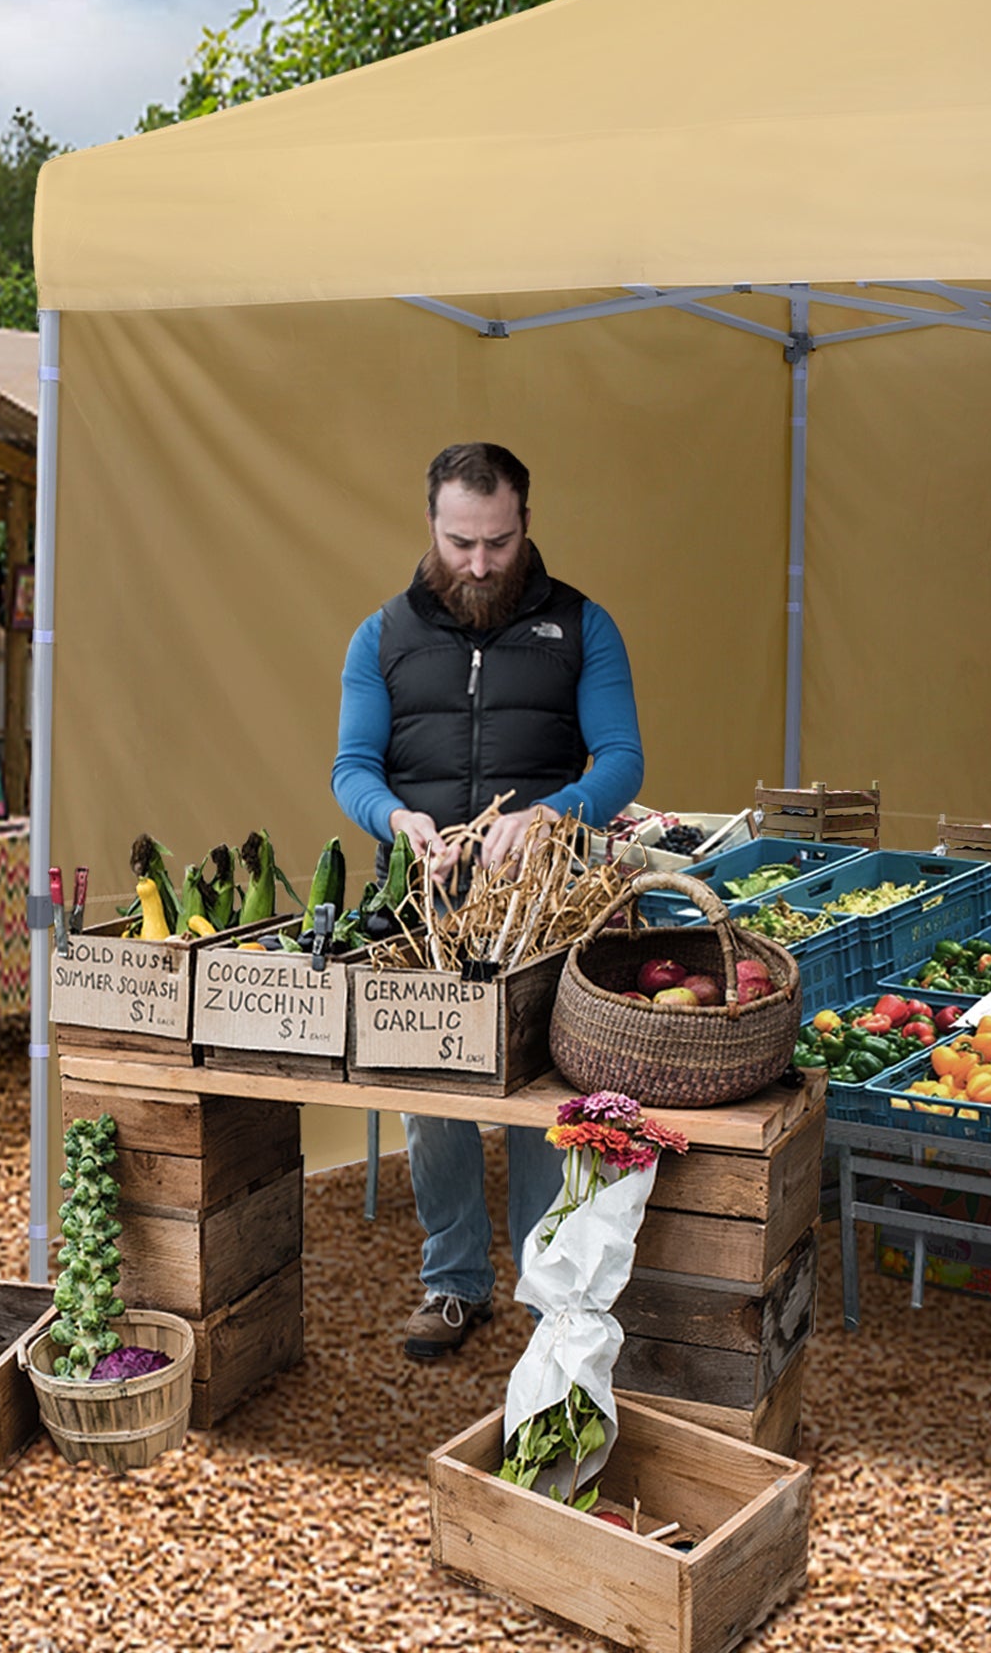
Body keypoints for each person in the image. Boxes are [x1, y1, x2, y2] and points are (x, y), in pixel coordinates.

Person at [332, 442, 644, 1358]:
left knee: (547, 1095)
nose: (477, 564)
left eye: (497, 544)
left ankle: (549, 1296)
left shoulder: (583, 626)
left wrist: (552, 815)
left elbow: (622, 758)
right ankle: (454, 1281)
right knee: (434, 1097)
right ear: (431, 525)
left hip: (546, 909)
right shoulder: (381, 636)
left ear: (526, 525)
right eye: (460, 542)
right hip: (428, 909)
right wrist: (397, 820)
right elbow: (353, 768)